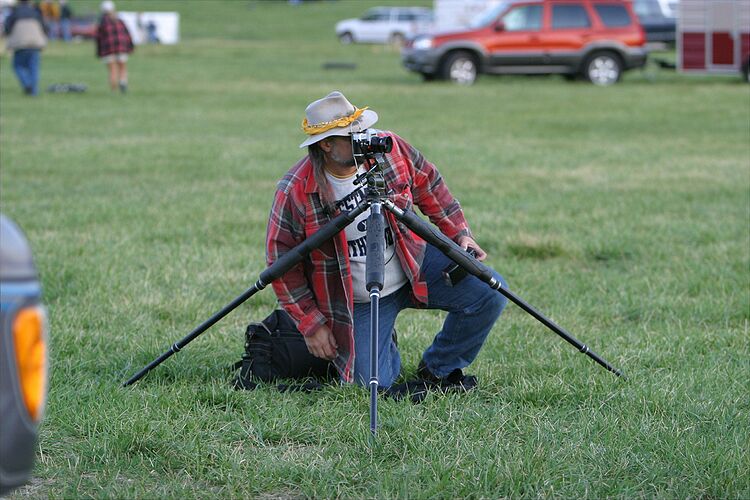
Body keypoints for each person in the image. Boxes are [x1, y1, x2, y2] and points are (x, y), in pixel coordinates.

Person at [266, 91, 508, 392]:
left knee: (490, 291)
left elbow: (429, 183)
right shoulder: (296, 190)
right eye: (353, 135)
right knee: (369, 385)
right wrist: (311, 324)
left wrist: (460, 233)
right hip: (360, 299)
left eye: (363, 129)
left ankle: (439, 368)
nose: (365, 138)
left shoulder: (388, 149)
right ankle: (378, 339)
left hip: (413, 263)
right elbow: (281, 263)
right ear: (326, 145)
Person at [3, 0, 47, 96]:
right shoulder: (35, 12)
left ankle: (27, 84)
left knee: (18, 66)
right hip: (35, 43)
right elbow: (44, 27)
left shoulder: (15, 12)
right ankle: (34, 91)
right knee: (34, 68)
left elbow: (7, 28)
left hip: (20, 43)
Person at [95, 0, 133, 93]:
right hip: (121, 47)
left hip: (108, 49)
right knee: (122, 67)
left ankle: (113, 90)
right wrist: (130, 47)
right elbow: (127, 34)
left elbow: (98, 38)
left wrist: (99, 51)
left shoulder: (102, 22)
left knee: (112, 70)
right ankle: (123, 82)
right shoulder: (119, 20)